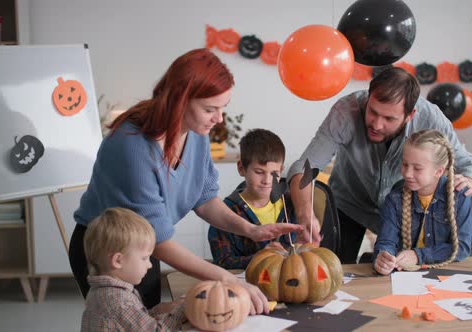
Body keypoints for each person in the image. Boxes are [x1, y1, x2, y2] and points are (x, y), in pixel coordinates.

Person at [69, 48, 302, 314]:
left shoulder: (196, 133)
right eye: (210, 109)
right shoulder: (130, 147)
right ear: (180, 100)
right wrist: (225, 278)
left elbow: (204, 199)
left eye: (222, 108)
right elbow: (159, 239)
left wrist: (250, 229)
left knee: (149, 318)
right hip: (108, 251)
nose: (219, 119)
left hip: (143, 247)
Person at [287, 67, 472, 263]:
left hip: (401, 209)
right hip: (349, 203)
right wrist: (304, 214)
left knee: (401, 277)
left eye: (389, 118)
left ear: (410, 115)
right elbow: (305, 167)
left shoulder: (431, 118)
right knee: (333, 269)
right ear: (368, 98)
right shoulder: (345, 111)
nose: (377, 124)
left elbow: (465, 162)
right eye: (373, 112)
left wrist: (470, 179)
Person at [372, 130, 472, 275]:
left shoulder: (459, 196)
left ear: (438, 171)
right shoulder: (394, 198)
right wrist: (383, 258)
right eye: (405, 164)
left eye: (417, 168)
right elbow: (386, 242)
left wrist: (418, 255)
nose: (407, 174)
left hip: (447, 275)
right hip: (404, 277)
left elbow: (461, 248)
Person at [81, 207, 186, 331]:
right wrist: (183, 310)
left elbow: (134, 322)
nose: (150, 265)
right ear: (118, 261)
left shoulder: (103, 292)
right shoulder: (119, 302)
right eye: (145, 258)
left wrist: (161, 309)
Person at [208, 129, 297, 269]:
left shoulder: (291, 205)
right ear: (241, 168)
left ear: (281, 169)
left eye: (274, 173)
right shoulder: (224, 214)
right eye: (259, 172)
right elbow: (222, 263)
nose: (267, 180)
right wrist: (260, 257)